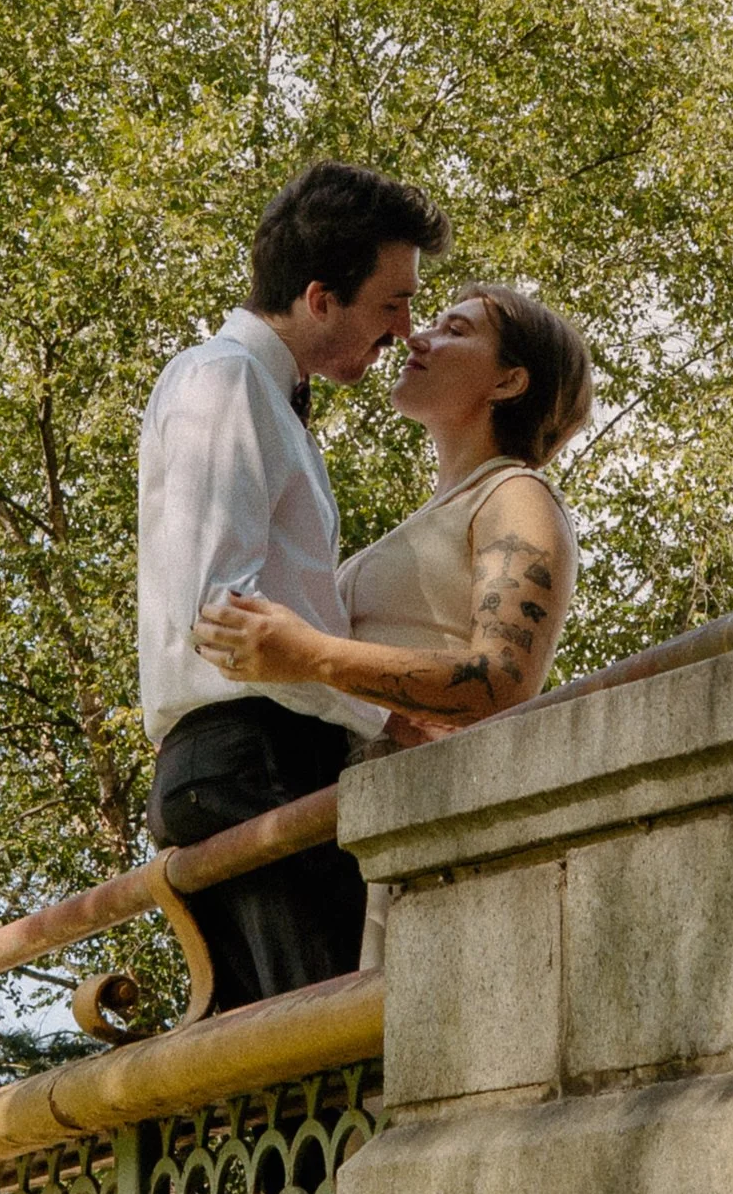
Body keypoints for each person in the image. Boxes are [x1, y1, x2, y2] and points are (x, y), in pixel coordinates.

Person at [138, 158, 451, 1005]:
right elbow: (224, 621)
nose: (407, 330)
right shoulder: (226, 380)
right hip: (254, 764)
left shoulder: (254, 395)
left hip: (241, 764)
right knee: (335, 1050)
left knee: (278, 1074)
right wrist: (384, 712)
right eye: (393, 304)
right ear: (321, 299)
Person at [193, 283, 593, 780]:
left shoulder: (516, 494)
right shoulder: (439, 512)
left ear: (509, 382)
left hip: (435, 808)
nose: (417, 338)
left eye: (456, 330)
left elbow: (503, 684)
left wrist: (310, 655)